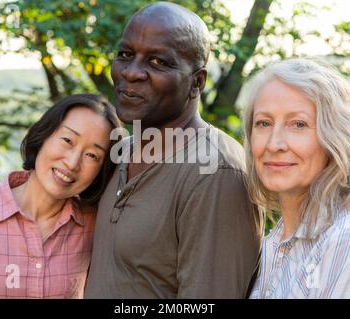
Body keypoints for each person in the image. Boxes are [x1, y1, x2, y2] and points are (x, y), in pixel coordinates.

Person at [84, 2, 262, 299]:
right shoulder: (119, 154)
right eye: (126, 55)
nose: (131, 73)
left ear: (197, 82)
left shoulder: (215, 173)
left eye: (158, 62)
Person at [0, 94, 122, 298]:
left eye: (92, 155)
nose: (72, 163)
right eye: (67, 140)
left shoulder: (96, 226)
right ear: (43, 136)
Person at [240, 57, 350, 299]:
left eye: (298, 124)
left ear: (335, 138)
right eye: (264, 123)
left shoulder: (349, 240)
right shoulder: (276, 240)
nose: (274, 143)